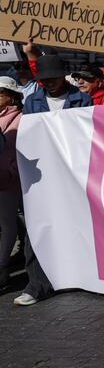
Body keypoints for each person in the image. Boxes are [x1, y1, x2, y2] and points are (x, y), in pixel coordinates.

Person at [17, 55, 93, 306]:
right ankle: (36, 285)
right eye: (44, 80)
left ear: (64, 76)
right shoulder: (32, 101)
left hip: (73, 173)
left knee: (78, 225)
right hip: (42, 176)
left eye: (53, 78)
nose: (48, 83)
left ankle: (80, 276)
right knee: (37, 228)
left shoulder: (83, 98)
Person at [0, 76, 22, 288]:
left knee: (7, 225)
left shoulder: (21, 118)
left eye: (0, 93)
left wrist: (11, 171)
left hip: (7, 181)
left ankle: (2, 266)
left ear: (11, 97)